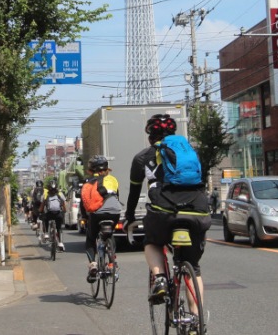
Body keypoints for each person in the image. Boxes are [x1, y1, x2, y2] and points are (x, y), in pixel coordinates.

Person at [124, 114, 211, 305]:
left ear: (150, 136)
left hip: (163, 210)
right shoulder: (190, 153)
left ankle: (160, 278)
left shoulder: (142, 157)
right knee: (193, 269)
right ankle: (196, 322)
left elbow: (134, 192)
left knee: (152, 242)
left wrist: (129, 217)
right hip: (197, 208)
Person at [80, 155, 122, 283]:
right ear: (106, 169)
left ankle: (93, 264)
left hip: (97, 214)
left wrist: (84, 218)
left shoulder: (88, 183)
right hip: (115, 212)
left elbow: (84, 203)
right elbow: (117, 197)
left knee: (91, 238)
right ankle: (111, 263)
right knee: (110, 234)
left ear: (90, 170)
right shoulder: (113, 180)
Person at [40, 178, 66, 251]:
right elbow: (64, 205)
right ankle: (60, 242)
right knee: (59, 228)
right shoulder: (60, 194)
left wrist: (40, 212)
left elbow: (42, 206)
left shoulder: (45, 194)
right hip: (58, 214)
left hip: (49, 213)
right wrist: (64, 211)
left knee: (45, 219)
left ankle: (46, 234)